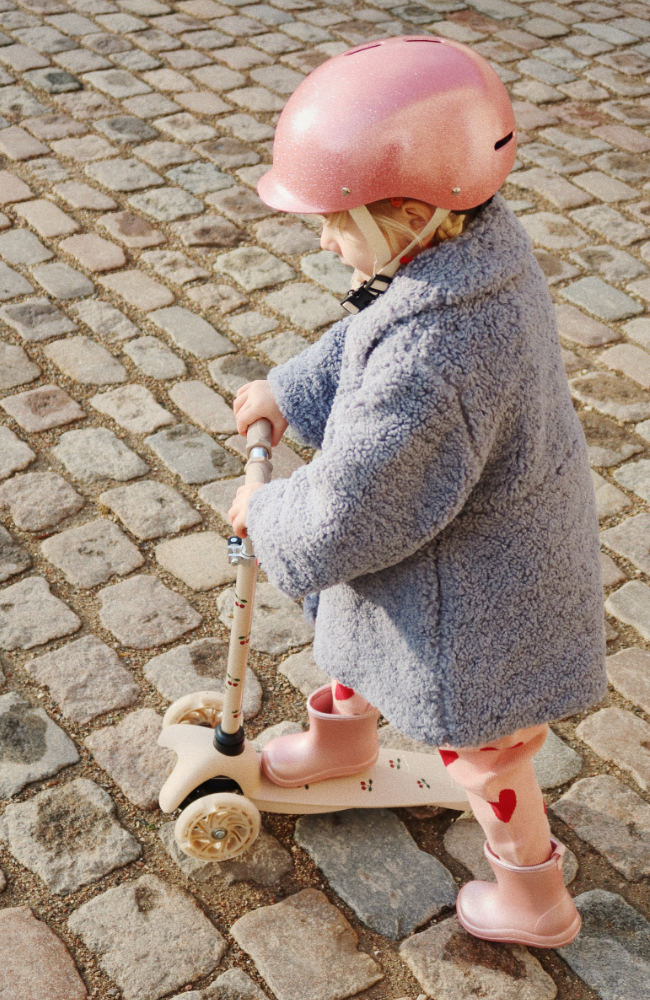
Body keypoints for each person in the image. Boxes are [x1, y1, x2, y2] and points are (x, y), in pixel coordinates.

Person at [228, 36, 606, 949]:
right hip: (457, 553)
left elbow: (351, 513)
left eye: (336, 218)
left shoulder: (440, 356)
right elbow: (366, 339)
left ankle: (532, 891)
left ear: (411, 211)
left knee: (486, 744)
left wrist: (267, 510)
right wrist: (291, 389)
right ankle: (345, 742)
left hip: (480, 600)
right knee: (363, 620)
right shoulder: (464, 261)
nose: (323, 238)